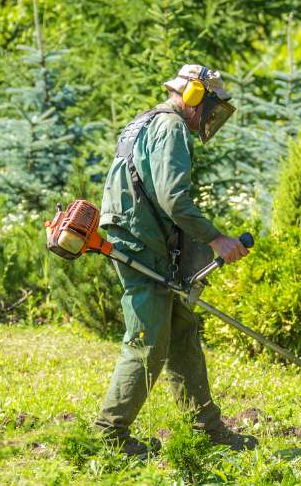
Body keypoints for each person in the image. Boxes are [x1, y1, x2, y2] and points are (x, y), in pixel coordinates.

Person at [95, 64, 257, 458]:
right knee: (147, 342)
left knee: (182, 332)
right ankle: (108, 436)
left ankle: (205, 429)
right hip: (141, 244)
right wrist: (217, 239)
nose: (209, 115)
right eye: (209, 104)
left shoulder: (145, 122)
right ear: (194, 96)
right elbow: (172, 198)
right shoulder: (171, 128)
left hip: (140, 239)